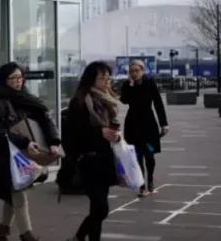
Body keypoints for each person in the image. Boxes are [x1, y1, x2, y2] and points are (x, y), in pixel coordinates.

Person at [0, 62, 61, 241]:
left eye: (20, 77)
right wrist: (25, 141)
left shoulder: (26, 98)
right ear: (3, 79)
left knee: (12, 196)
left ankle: (3, 232)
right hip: (6, 154)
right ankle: (26, 235)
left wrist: (53, 141)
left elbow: (44, 118)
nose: (18, 81)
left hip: (25, 152)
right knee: (18, 194)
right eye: (13, 78)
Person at [65, 61, 120, 241]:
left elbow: (111, 127)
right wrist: (99, 133)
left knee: (97, 209)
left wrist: (116, 136)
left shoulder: (106, 101)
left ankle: (86, 238)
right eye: (102, 79)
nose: (106, 82)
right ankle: (79, 236)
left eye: (108, 78)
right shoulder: (80, 101)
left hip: (105, 159)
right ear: (91, 79)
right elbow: (74, 135)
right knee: (100, 208)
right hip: (88, 160)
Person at [120, 60, 169, 197]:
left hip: (149, 125)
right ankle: (142, 186)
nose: (134, 74)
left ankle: (151, 179)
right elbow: (124, 100)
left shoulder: (149, 83)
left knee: (149, 155)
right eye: (131, 71)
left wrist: (163, 123)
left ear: (142, 71)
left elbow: (158, 103)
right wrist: (130, 85)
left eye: (137, 71)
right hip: (132, 125)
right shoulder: (127, 85)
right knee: (137, 157)